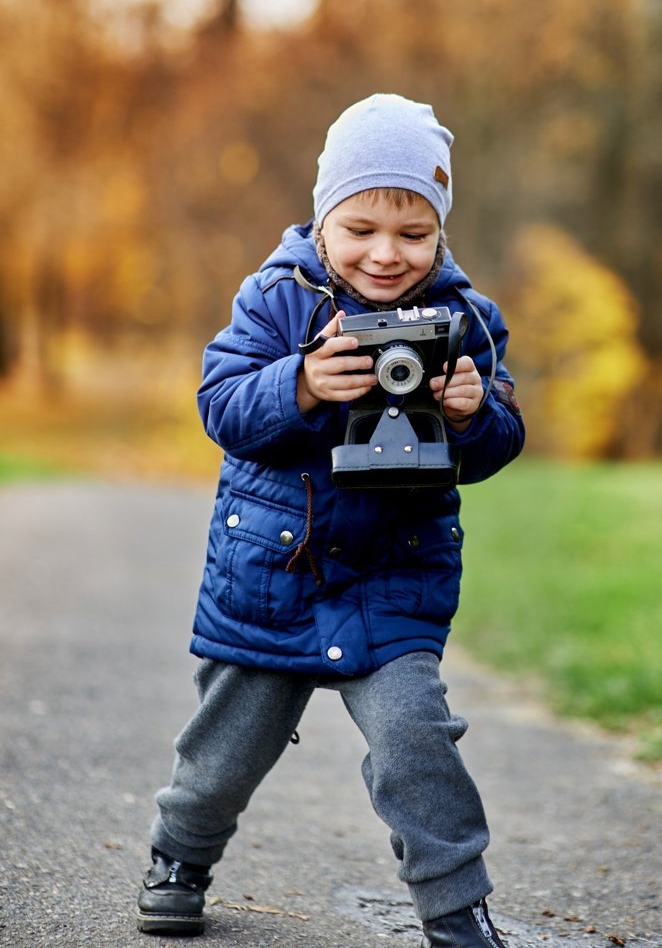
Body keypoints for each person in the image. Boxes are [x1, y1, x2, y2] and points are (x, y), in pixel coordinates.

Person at [136, 93, 525, 947]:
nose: (387, 254)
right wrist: (302, 384)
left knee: (419, 746)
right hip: (274, 574)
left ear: (441, 233)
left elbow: (500, 438)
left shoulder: (466, 321)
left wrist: (471, 414)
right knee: (221, 758)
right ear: (323, 218)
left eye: (413, 234)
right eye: (361, 229)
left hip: (393, 579)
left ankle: (458, 908)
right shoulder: (275, 302)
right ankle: (180, 853)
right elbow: (221, 406)